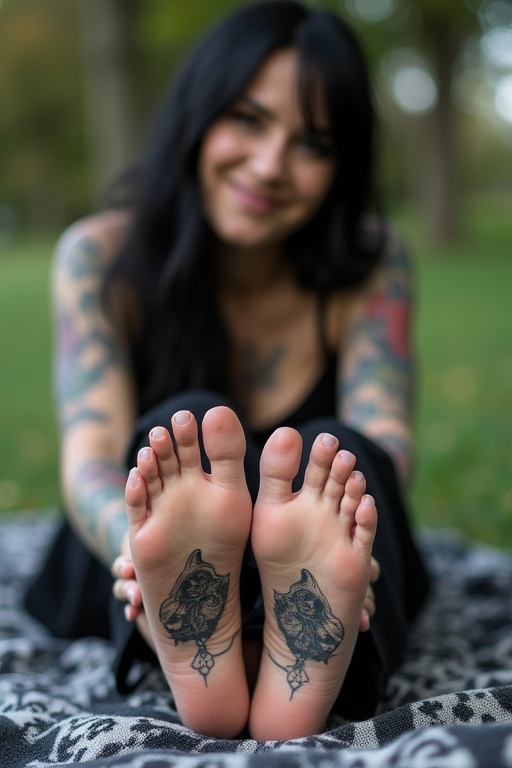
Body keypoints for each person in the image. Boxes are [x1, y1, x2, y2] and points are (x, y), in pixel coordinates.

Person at [24, 0, 429, 741]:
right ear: (196, 116)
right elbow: (89, 451)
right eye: (247, 119)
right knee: (182, 427)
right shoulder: (98, 260)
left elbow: (385, 435)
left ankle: (279, 654)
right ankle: (221, 642)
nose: (271, 166)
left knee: (337, 453)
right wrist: (132, 541)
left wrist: (356, 529)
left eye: (312, 143)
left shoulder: (371, 264)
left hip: (308, 561)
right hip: (128, 549)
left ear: (343, 166)